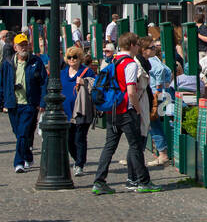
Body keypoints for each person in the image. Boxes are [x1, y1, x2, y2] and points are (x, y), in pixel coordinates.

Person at [92, 33, 160, 194]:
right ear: (131, 45)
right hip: (126, 111)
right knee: (136, 146)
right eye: (136, 44)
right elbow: (131, 91)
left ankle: (99, 181)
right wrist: (137, 109)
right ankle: (143, 182)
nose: (138, 47)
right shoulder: (130, 64)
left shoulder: (113, 61)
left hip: (113, 110)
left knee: (109, 147)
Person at [0, 34, 46, 172]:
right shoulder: (8, 64)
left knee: (22, 133)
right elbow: (1, 84)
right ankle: (28, 156)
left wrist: (42, 102)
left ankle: (18, 163)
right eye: (21, 45)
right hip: (13, 104)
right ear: (15, 47)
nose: (23, 47)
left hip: (29, 103)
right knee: (18, 133)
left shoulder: (36, 62)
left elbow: (44, 83)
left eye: (25, 44)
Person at [61, 46, 95, 176]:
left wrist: (84, 82)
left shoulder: (87, 71)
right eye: (69, 57)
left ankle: (80, 164)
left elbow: (96, 85)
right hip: (66, 111)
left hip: (81, 110)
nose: (72, 60)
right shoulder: (62, 73)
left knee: (80, 138)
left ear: (80, 58)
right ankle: (77, 160)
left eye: (75, 57)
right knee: (69, 140)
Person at [141, 42, 173, 167]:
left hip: (155, 95)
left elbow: (161, 70)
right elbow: (168, 70)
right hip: (158, 94)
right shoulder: (153, 59)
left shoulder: (151, 59)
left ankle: (162, 154)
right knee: (153, 124)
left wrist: (159, 87)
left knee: (153, 124)